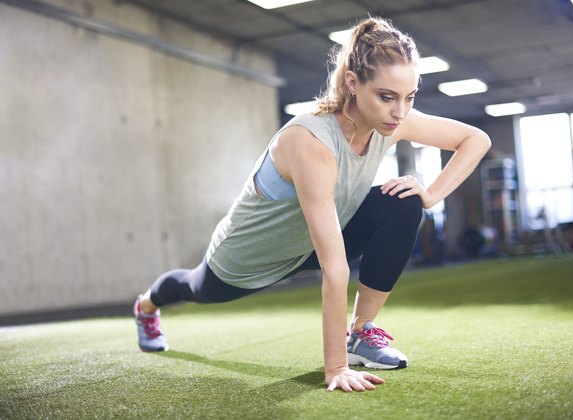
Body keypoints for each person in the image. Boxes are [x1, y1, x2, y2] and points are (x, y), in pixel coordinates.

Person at [133, 16, 491, 393]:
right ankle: (146, 306)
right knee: (195, 286)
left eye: (409, 97)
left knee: (402, 204)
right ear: (353, 83)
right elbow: (334, 268)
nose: (400, 112)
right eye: (387, 97)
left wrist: (430, 195)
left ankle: (362, 333)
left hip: (313, 239)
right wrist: (334, 368)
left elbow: (475, 139)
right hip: (250, 256)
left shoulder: (392, 122)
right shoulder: (312, 142)